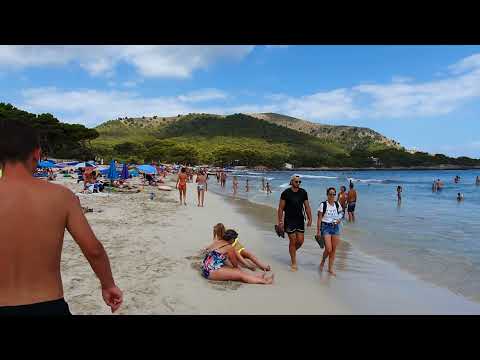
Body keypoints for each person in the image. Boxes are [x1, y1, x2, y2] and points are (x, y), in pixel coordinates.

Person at [0, 119, 123, 315]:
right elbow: (93, 249)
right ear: (37, 154)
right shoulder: (61, 196)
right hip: (47, 304)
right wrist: (108, 285)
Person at [201, 230, 274, 284]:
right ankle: (264, 281)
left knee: (235, 271)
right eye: (235, 239)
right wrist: (242, 270)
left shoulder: (217, 242)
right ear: (232, 239)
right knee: (240, 274)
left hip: (205, 268)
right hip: (210, 272)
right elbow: (235, 265)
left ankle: (256, 278)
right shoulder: (229, 247)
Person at [277, 175, 312, 271]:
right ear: (291, 182)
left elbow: (307, 206)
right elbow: (280, 208)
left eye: (300, 182)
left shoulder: (303, 192)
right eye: (296, 181)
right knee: (292, 240)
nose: (298, 183)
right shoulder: (286, 193)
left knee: (300, 241)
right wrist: (280, 222)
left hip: (300, 219)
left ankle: (292, 252)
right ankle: (293, 262)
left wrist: (310, 218)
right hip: (289, 220)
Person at [316, 187, 343, 276]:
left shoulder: (337, 204)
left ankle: (330, 268)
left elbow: (341, 213)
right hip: (326, 227)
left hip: (335, 227)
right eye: (330, 194)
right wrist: (318, 231)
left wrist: (339, 219)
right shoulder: (323, 205)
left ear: (335, 195)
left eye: (333, 194)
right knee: (328, 248)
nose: (332, 196)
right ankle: (323, 261)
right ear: (327, 195)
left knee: (334, 250)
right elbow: (319, 219)